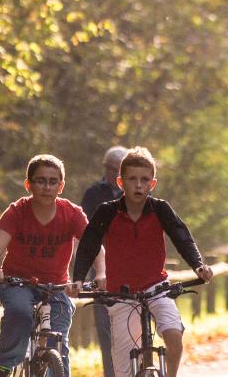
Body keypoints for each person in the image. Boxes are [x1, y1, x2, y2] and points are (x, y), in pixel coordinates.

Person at [71, 147, 214, 377]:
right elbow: (88, 245)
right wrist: (78, 279)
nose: (138, 185)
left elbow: (181, 236)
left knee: (174, 337)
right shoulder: (107, 212)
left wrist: (198, 265)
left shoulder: (161, 209)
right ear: (121, 182)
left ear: (152, 184)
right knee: (123, 369)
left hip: (157, 288)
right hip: (121, 294)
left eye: (144, 180)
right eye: (132, 179)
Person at [0, 155, 93, 377]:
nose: (47, 186)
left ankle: (54, 368)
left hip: (55, 286)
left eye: (53, 181)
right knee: (20, 312)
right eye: (40, 180)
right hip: (17, 282)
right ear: (29, 184)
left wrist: (101, 273)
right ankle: (5, 365)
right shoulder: (17, 211)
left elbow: (93, 247)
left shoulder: (71, 213)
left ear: (61, 186)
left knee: (58, 338)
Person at [80, 146, 129, 375]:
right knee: (105, 327)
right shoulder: (93, 195)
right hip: (101, 270)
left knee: (131, 324)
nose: (111, 173)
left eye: (116, 169)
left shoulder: (136, 193)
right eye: (108, 168)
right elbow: (85, 232)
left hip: (130, 269)